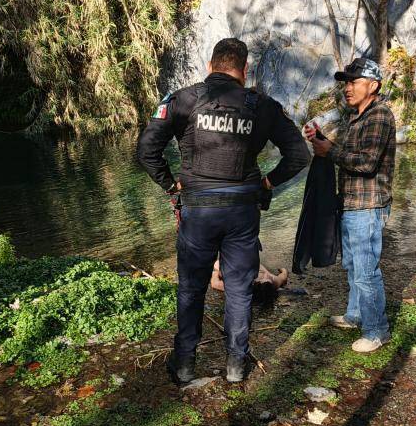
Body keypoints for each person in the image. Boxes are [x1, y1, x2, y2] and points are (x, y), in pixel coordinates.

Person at [137, 38, 309, 384]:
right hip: (241, 214)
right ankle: (235, 365)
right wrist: (267, 183)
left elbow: (147, 149)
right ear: (245, 71)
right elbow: (299, 155)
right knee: (239, 289)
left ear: (210, 64)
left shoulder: (184, 99)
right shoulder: (262, 106)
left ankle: (184, 363)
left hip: (198, 212)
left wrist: (171, 185)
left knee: (191, 288)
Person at [307, 57, 396, 353]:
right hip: (350, 203)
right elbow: (346, 152)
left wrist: (329, 150)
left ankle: (377, 330)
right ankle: (356, 315)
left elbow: (367, 163)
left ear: (373, 85)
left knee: (367, 269)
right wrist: (323, 141)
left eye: (354, 82)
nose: (348, 87)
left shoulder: (379, 115)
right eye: (346, 82)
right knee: (352, 265)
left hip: (368, 206)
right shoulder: (355, 115)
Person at [210, 256, 289, 304]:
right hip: (248, 260)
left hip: (236, 265)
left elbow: (215, 284)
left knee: (217, 264)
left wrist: (216, 272)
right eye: (269, 277)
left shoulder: (241, 286)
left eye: (263, 277)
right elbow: (283, 276)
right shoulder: (274, 282)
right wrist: (283, 270)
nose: (267, 275)